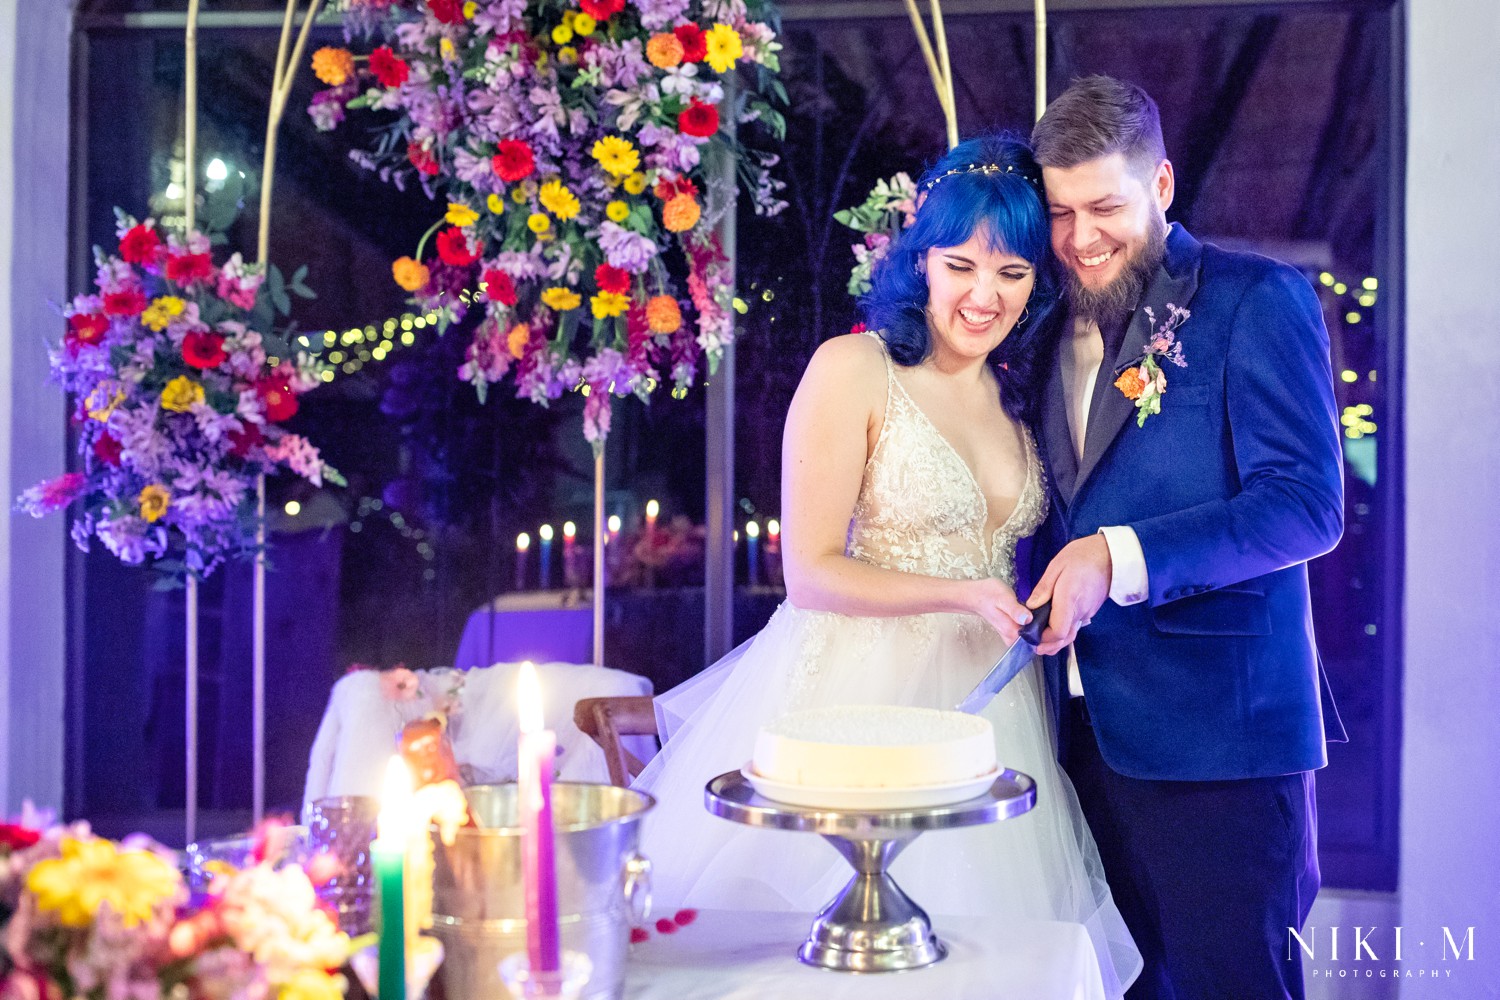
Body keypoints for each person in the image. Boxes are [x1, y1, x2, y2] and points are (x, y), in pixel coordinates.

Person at [632, 134, 1141, 996]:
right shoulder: (854, 368)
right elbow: (813, 572)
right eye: (961, 266)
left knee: (984, 959)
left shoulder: (1016, 398)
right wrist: (961, 593)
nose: (985, 296)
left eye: (1012, 274)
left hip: (987, 711)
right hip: (853, 698)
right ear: (920, 260)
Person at [1026, 76, 1346, 1000]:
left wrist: (1117, 556)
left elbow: (1304, 506)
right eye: (1060, 212)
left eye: (1106, 207)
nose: (1081, 239)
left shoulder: (1257, 301)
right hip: (1079, 741)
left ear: (1162, 186)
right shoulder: (1044, 330)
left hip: (1226, 749)